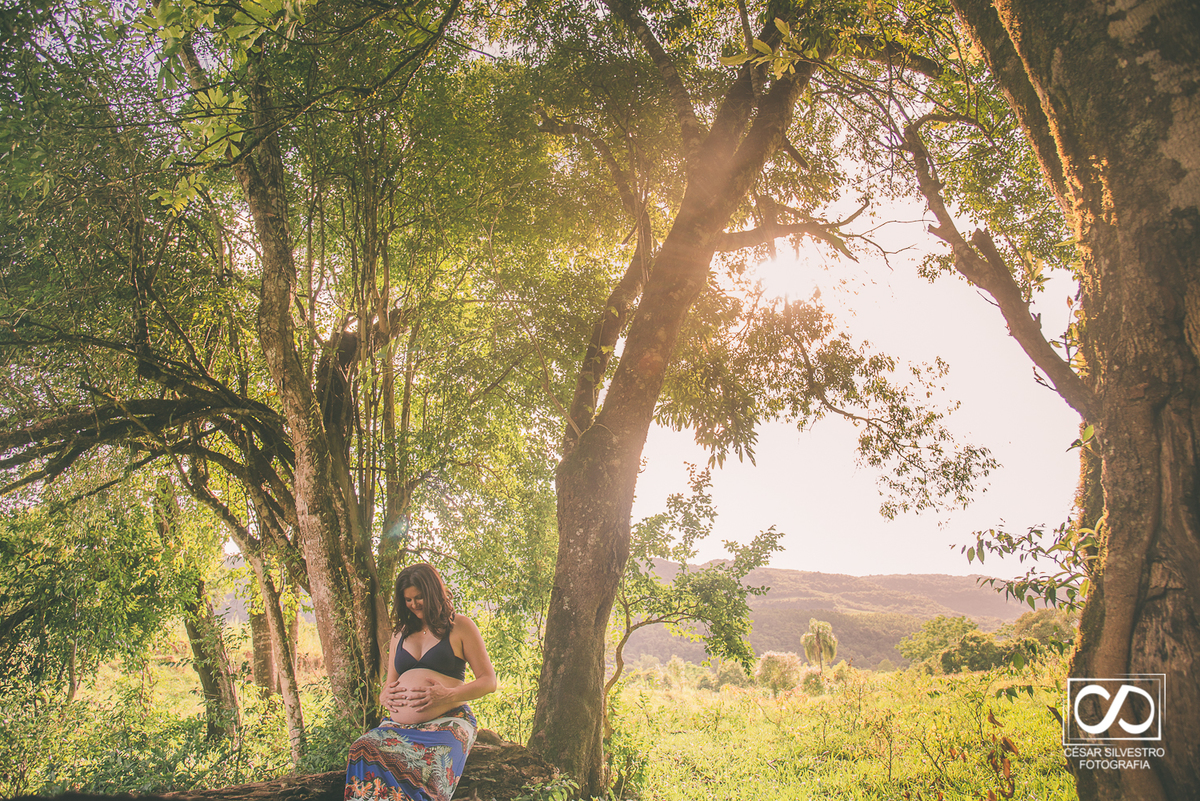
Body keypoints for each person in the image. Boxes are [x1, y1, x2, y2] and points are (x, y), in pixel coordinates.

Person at [345, 563, 498, 801]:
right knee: (361, 748)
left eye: (419, 597)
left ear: (433, 593)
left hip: (449, 721)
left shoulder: (460, 626)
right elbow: (389, 685)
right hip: (398, 727)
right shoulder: (400, 634)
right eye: (407, 600)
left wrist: (446, 695)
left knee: (433, 765)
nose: (414, 604)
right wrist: (384, 696)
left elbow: (489, 681)